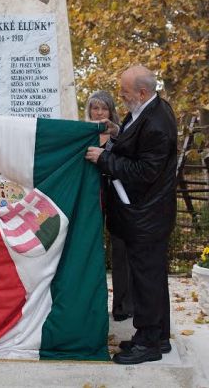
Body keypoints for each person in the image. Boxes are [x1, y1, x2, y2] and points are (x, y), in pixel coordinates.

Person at [85, 66, 177, 365]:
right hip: (144, 212)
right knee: (152, 277)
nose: (121, 96)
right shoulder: (146, 110)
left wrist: (105, 158)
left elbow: (145, 171)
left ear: (141, 91)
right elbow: (136, 145)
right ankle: (159, 337)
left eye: (124, 91)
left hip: (146, 214)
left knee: (146, 280)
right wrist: (117, 132)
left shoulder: (157, 122)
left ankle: (147, 343)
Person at [85, 90, 134, 323]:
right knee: (90, 246)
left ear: (111, 111)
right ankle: (90, 305)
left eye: (104, 108)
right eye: (95, 108)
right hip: (90, 196)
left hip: (116, 195)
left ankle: (123, 306)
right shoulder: (81, 134)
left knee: (120, 248)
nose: (99, 112)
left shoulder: (121, 135)